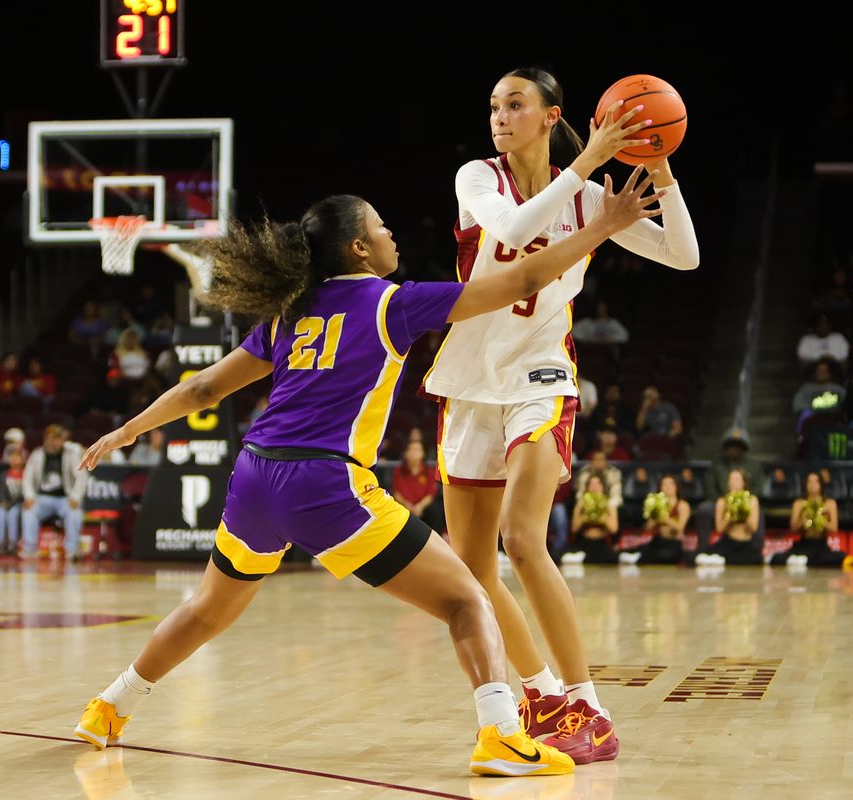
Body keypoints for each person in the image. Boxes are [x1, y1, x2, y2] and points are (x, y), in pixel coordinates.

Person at [71, 167, 663, 775]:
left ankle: (109, 707)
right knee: (469, 597)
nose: (392, 235)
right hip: (326, 484)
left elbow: (201, 389)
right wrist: (604, 225)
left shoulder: (288, 314)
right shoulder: (394, 303)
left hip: (253, 475)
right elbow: (528, 278)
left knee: (206, 609)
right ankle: (502, 735)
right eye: (381, 227)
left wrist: (129, 429)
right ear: (359, 248)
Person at [421, 66, 698, 765]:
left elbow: (685, 257)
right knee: (472, 567)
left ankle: (591, 707)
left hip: (543, 376)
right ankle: (543, 695)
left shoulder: (586, 197)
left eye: (515, 104)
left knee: (523, 536)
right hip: (470, 380)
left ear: (551, 115)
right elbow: (515, 226)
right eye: (493, 105)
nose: (498, 116)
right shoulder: (478, 178)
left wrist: (659, 172)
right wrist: (589, 167)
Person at [22, 424, 88, 561]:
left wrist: (75, 497)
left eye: (57, 439)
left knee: (75, 513)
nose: (53, 442)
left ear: (62, 440)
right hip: (42, 498)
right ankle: (30, 549)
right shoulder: (37, 454)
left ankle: (72, 550)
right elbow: (27, 477)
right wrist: (29, 496)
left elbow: (81, 477)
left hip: (64, 499)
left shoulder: (71, 454)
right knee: (29, 512)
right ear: (45, 439)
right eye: (50, 439)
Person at [771, 472, 844, 568]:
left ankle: (805, 560)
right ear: (805, 485)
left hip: (821, 545)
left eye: (816, 481)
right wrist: (805, 520)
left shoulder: (830, 503)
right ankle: (804, 559)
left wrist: (819, 519)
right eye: (809, 482)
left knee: (839, 557)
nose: (812, 485)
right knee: (776, 558)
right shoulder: (799, 503)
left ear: (821, 484)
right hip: (804, 543)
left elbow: (834, 528)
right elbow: (793, 528)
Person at [696, 468, 762, 565]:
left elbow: (754, 528)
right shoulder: (722, 501)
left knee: (756, 559)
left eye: (736, 479)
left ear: (744, 483)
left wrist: (742, 510)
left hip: (746, 544)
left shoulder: (752, 500)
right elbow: (720, 529)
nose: (733, 482)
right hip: (728, 543)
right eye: (731, 479)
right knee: (701, 556)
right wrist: (730, 514)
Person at [391, 440, 444, 533]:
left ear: (422, 454)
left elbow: (430, 495)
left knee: (436, 510)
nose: (414, 453)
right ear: (406, 454)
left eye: (417, 450)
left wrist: (419, 507)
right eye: (411, 450)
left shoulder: (429, 472)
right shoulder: (398, 471)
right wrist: (408, 506)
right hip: (404, 507)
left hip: (423, 508)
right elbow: (396, 492)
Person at [563, 474, 618, 564]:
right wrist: (586, 514)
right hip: (584, 543)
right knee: (559, 555)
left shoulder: (609, 504)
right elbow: (574, 529)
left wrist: (600, 513)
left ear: (603, 487)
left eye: (598, 484)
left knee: (613, 558)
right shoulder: (581, 503)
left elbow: (614, 529)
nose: (594, 487)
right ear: (587, 487)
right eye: (591, 484)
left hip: (602, 543)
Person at [636, 474, 690, 564]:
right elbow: (648, 527)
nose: (668, 487)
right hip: (657, 542)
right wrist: (655, 516)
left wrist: (665, 518)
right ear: (660, 487)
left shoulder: (683, 505)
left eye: (671, 484)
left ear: (677, 487)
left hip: (674, 543)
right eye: (664, 484)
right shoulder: (655, 503)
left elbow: (680, 527)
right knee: (642, 558)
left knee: (666, 557)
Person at [0, 448, 25, 555]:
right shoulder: (4, 475)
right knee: (0, 512)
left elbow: (26, 493)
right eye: (12, 457)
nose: (14, 459)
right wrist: (2, 501)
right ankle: (0, 543)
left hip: (19, 504)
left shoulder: (26, 475)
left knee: (12, 514)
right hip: (6, 502)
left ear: (23, 459)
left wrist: (13, 503)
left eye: (17, 457)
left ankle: (13, 543)